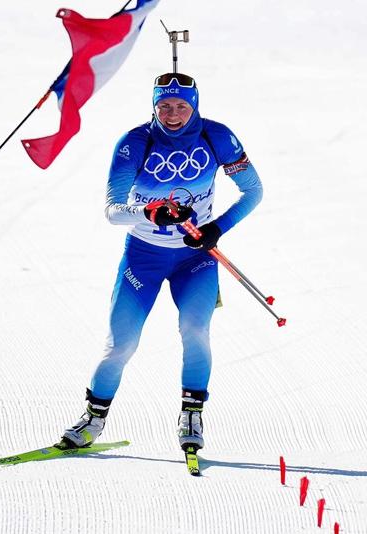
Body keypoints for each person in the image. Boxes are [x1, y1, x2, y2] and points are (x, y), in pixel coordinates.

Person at [57, 70, 264, 456]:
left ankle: (191, 414)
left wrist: (217, 228)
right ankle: (93, 418)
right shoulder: (134, 143)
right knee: (121, 344)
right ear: (154, 104)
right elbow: (113, 211)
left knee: (195, 330)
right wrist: (150, 213)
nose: (172, 114)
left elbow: (254, 190)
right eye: (164, 105)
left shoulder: (216, 137)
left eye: (181, 106)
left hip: (195, 259)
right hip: (144, 257)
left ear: (195, 105)